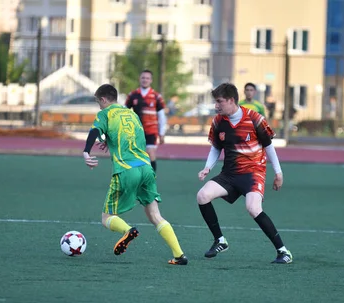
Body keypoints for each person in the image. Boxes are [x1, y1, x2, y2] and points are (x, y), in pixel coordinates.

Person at [83, 84, 187, 265]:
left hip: (126, 170)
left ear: (103, 100)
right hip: (146, 168)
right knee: (155, 215)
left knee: (106, 217)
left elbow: (94, 132)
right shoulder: (132, 114)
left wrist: (86, 152)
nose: (99, 106)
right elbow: (133, 136)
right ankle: (179, 255)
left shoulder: (105, 114)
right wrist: (110, 140)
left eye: (98, 102)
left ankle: (127, 230)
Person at [196, 83, 293, 264]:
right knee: (202, 196)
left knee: (253, 208)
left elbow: (269, 147)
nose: (216, 106)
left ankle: (283, 252)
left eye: (219, 102)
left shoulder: (255, 119)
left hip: (253, 172)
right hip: (229, 174)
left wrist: (278, 173)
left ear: (231, 100)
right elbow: (216, 147)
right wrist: (207, 167)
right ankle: (220, 240)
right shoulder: (218, 121)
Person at [125, 70, 167, 173]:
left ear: (151, 80)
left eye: (147, 78)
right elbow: (124, 112)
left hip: (151, 131)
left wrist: (162, 133)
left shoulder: (156, 96)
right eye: (143, 78)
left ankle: (151, 179)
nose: (145, 80)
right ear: (140, 79)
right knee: (136, 155)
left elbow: (162, 116)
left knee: (150, 152)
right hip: (136, 131)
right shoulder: (133, 95)